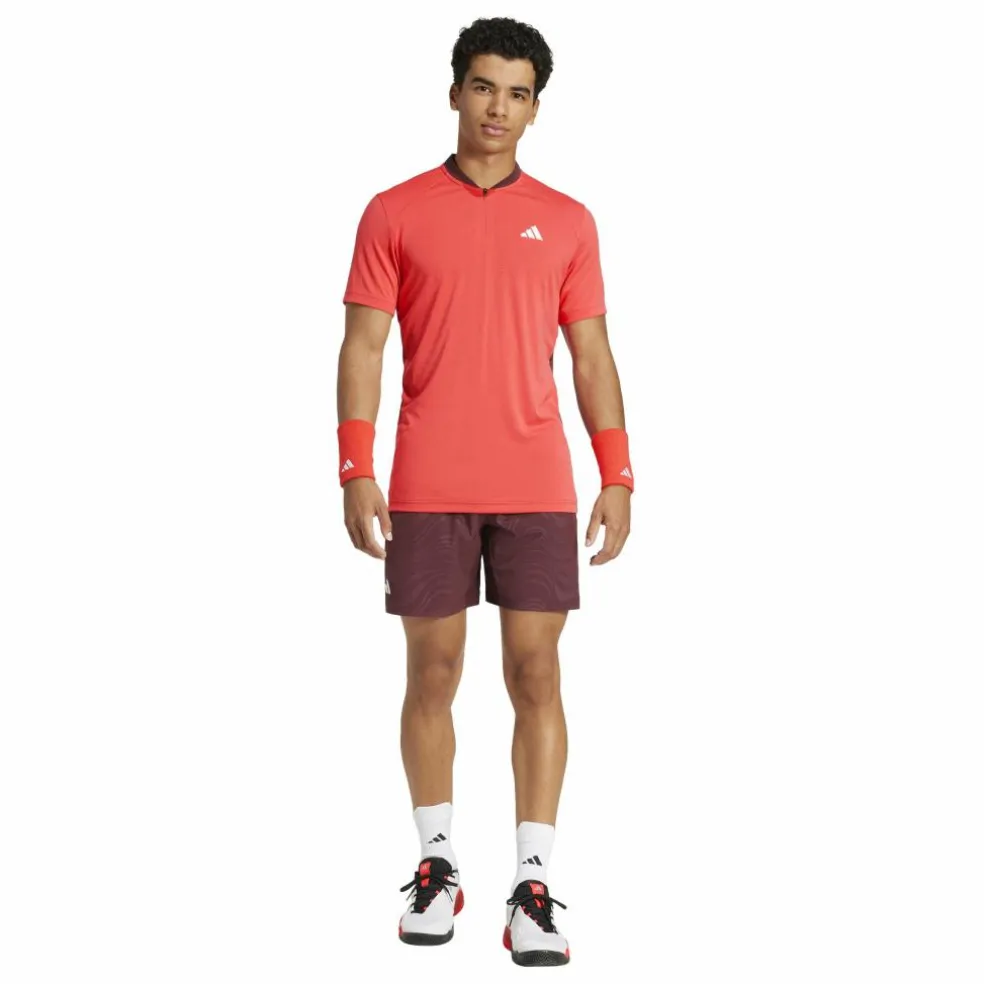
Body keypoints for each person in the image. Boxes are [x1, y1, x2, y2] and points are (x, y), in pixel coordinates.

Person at [336, 16, 634, 967]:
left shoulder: (570, 220)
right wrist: (355, 467)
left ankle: (532, 886)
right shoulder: (393, 211)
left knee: (537, 675)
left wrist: (618, 473)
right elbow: (363, 347)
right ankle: (436, 864)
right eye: (483, 87)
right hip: (427, 482)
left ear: (536, 109)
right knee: (432, 675)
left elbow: (591, 356)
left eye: (517, 93)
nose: (497, 108)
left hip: (537, 483)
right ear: (454, 92)